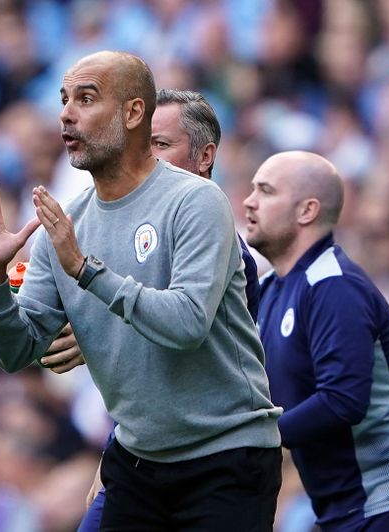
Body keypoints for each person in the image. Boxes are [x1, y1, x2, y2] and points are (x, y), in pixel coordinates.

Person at [0, 50, 282, 531]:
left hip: (225, 456)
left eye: (86, 99)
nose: (66, 112)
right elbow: (15, 351)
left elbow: (188, 324)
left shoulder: (196, 200)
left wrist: (87, 270)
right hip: (138, 458)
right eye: (64, 99)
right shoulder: (63, 226)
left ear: (134, 114)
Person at [41, 88, 263, 532]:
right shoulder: (111, 230)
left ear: (205, 157)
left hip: (215, 458)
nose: (143, 158)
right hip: (139, 452)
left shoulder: (233, 256)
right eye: (139, 145)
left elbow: (196, 351)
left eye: (159, 145)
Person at [244, 151, 389, 531]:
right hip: (349, 510)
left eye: (265, 190)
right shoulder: (271, 290)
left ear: (307, 211)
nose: (249, 201)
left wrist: (254, 438)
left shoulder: (334, 286)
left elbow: (343, 399)